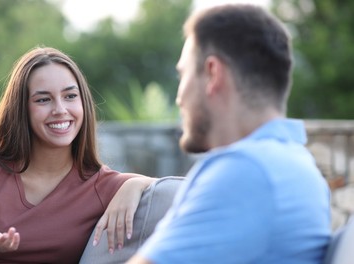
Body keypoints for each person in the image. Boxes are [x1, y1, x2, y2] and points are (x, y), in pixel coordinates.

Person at [127, 4, 331, 264]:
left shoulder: (247, 170)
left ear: (212, 73)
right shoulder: (294, 161)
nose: (179, 98)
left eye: (183, 75)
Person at [0, 47, 155, 263]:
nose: (60, 109)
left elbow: (174, 188)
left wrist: (134, 185)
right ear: (21, 109)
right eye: (43, 100)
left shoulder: (102, 185)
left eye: (70, 96)